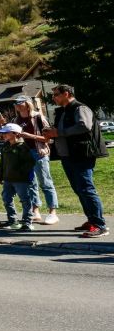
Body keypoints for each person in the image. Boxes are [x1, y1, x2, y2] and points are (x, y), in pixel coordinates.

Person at [43, 85, 109, 238]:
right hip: (68, 156)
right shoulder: (63, 111)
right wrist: (51, 132)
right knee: (79, 190)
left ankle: (100, 225)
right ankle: (92, 220)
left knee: (86, 189)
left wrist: (59, 132)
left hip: (81, 155)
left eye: (56, 95)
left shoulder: (80, 108)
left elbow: (84, 126)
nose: (54, 98)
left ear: (67, 94)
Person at [0, 96, 59, 224]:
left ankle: (52, 212)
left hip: (39, 153)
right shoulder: (16, 120)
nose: (17, 105)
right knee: (31, 183)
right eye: (15, 103)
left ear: (27, 104)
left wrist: (29, 136)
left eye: (20, 103)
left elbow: (48, 138)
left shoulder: (38, 117)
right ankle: (35, 211)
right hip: (24, 155)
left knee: (45, 182)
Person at [0, 123, 36, 230]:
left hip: (21, 180)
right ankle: (12, 221)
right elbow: (2, 163)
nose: (3, 135)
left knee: (25, 200)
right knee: (6, 199)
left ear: (16, 134)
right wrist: (0, 176)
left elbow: (29, 163)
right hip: (8, 179)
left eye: (6, 133)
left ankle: (28, 222)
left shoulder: (23, 147)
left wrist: (20, 173)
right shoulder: (5, 146)